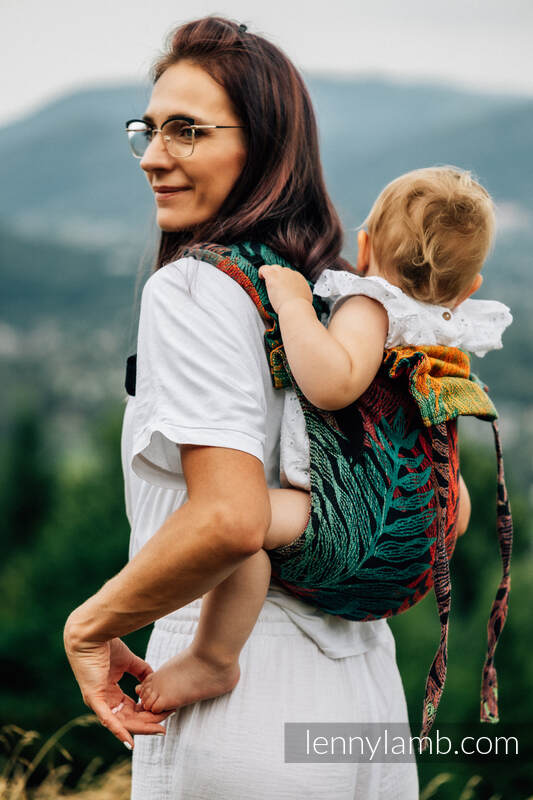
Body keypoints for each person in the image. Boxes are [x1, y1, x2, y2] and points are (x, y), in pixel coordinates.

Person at [64, 16, 420, 798]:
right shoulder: (342, 296)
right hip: (366, 690)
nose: (153, 156)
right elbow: (444, 506)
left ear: (262, 148)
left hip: (239, 679)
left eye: (187, 131)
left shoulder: (196, 287)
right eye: (149, 130)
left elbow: (229, 519)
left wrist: (90, 627)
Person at [135, 166, 512, 716]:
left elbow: (333, 385)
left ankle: (214, 658)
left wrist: (293, 306)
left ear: (365, 247)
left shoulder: (370, 306)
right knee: (448, 482)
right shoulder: (449, 330)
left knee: (240, 524)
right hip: (427, 548)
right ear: (471, 286)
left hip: (344, 528)